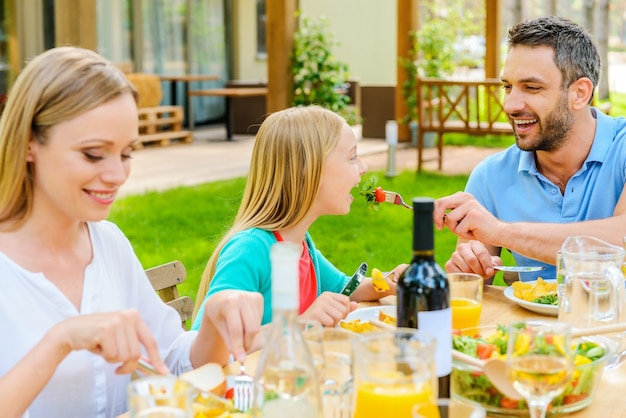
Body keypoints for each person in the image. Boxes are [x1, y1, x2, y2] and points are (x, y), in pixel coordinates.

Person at [0, 46, 263, 418]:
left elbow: (171, 358)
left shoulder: (107, 243)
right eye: (94, 154)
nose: (117, 175)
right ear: (29, 143)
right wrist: (60, 341)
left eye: (126, 153)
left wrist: (217, 325)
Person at [433, 16, 626, 283]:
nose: (511, 105)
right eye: (508, 87)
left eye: (531, 88)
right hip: (529, 326)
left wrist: (502, 231)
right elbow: (475, 292)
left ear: (580, 93)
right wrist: (468, 271)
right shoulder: (490, 176)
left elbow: (622, 241)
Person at [192, 105, 402, 330]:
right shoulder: (251, 250)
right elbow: (203, 344)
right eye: (352, 157)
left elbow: (345, 288)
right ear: (309, 169)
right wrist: (299, 324)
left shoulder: (301, 244)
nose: (363, 167)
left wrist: (392, 282)